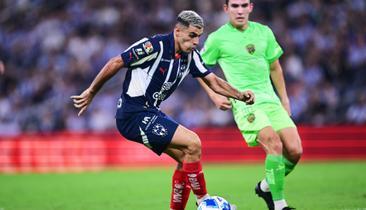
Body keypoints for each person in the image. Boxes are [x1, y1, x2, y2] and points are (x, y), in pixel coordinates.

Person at [71, 10, 254, 210]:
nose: (195, 42)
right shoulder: (154, 46)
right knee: (193, 142)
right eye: (192, 35)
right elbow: (116, 62)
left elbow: (212, 80)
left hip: (150, 113)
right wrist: (91, 91)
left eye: (198, 37)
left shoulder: (191, 56)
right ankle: (205, 201)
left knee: (186, 158)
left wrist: (240, 95)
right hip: (133, 114)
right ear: (177, 31)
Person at [199, 1, 303, 210]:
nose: (239, 10)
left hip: (271, 100)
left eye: (243, 5)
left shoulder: (264, 32)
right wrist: (213, 95)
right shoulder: (217, 38)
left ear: (251, 7)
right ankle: (280, 205)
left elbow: (275, 67)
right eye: (234, 5)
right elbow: (198, 67)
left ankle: (265, 187)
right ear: (226, 8)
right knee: (274, 143)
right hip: (245, 103)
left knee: (294, 151)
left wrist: (284, 99)